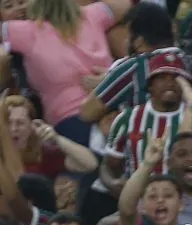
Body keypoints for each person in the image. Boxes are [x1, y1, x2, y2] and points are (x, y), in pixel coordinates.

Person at [0, 0, 129, 145]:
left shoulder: (26, 31)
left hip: (72, 120)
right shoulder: (92, 14)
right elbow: (126, 5)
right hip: (113, 108)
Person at [79, 3, 192, 123]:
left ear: (139, 42)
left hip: (148, 146)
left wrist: (110, 79)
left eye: (128, 36)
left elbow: (87, 113)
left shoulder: (133, 68)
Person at [2, 95, 97, 179]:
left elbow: (90, 164)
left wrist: (57, 139)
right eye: (8, 123)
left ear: (32, 126)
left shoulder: (43, 157)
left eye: (20, 123)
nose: (13, 128)